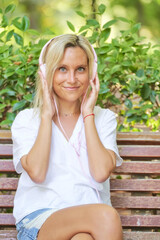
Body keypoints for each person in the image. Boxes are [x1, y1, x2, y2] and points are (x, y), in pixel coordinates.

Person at [11, 34, 123, 240]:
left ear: (92, 73)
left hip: (92, 226)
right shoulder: (27, 120)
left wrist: (88, 114)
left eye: (80, 69)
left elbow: (100, 173)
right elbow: (37, 172)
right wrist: (46, 115)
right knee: (107, 215)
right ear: (46, 73)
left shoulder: (103, 118)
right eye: (62, 69)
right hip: (40, 222)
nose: (72, 79)